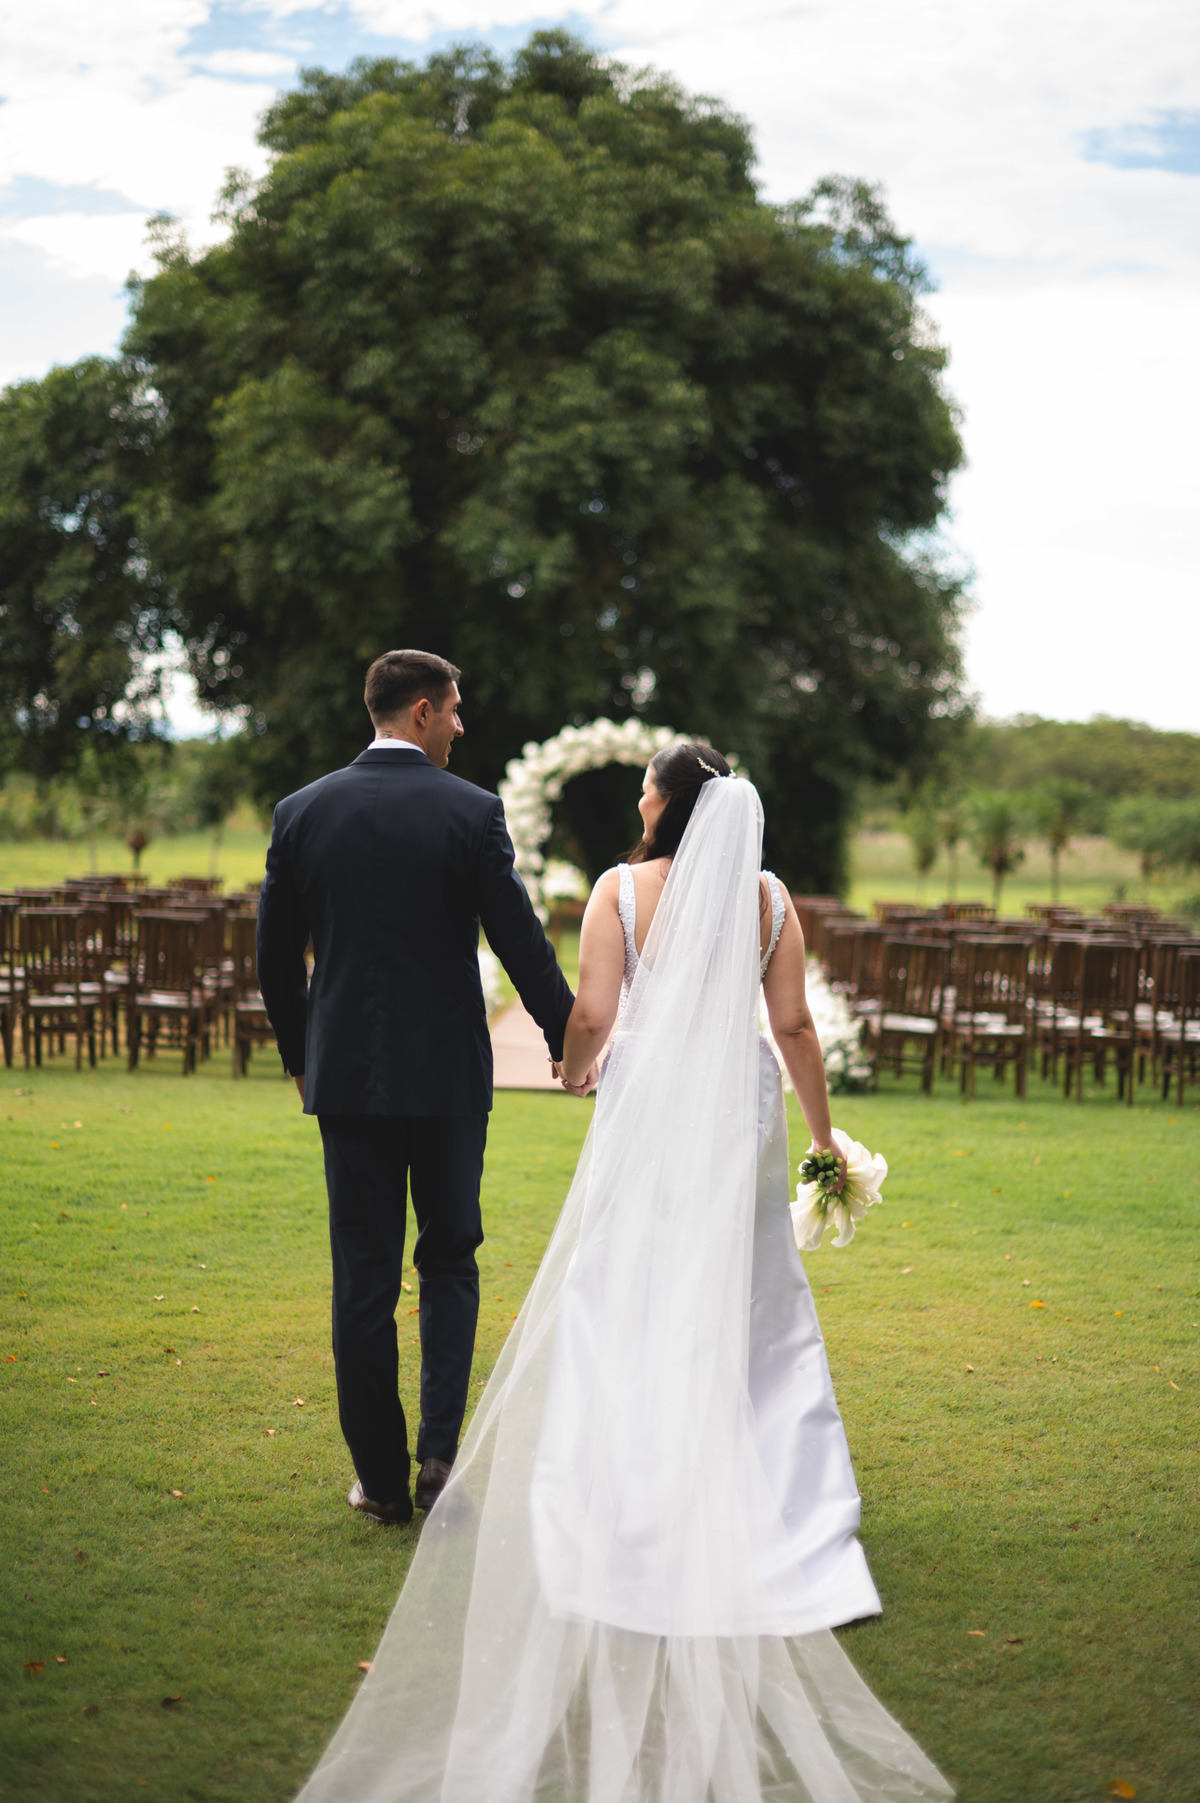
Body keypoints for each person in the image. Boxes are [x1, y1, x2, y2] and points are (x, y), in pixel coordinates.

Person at [295, 746, 953, 1802]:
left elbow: (593, 1011)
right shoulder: (771, 899)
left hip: (648, 1103)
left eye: (646, 788)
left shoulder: (618, 889)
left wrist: (575, 1065)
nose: (638, 801)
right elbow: (789, 1025)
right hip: (739, 1109)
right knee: (748, 1299)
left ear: (664, 804)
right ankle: (780, 1504)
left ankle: (620, 1487)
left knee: (625, 1290)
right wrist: (824, 1137)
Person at [256, 649, 576, 1526]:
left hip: (348, 1078)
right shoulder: (470, 811)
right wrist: (567, 1033)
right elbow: (520, 938)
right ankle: (439, 1457)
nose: (464, 727)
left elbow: (275, 959)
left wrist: (299, 1055)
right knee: (449, 1259)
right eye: (458, 711)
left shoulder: (302, 812)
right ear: (424, 711)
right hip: (447, 1080)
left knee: (362, 1275)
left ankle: (383, 1483)